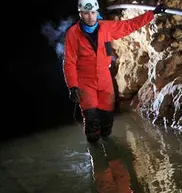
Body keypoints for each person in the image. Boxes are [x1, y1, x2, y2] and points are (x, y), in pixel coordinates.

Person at [63, 0, 167, 142]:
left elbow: (129, 25)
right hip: (85, 80)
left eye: (93, 12)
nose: (90, 17)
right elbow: (69, 62)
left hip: (104, 78)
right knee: (91, 119)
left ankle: (108, 148)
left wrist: (152, 13)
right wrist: (73, 86)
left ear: (97, 12)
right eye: (86, 13)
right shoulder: (73, 34)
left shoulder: (106, 27)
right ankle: (95, 152)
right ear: (80, 14)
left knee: (107, 120)